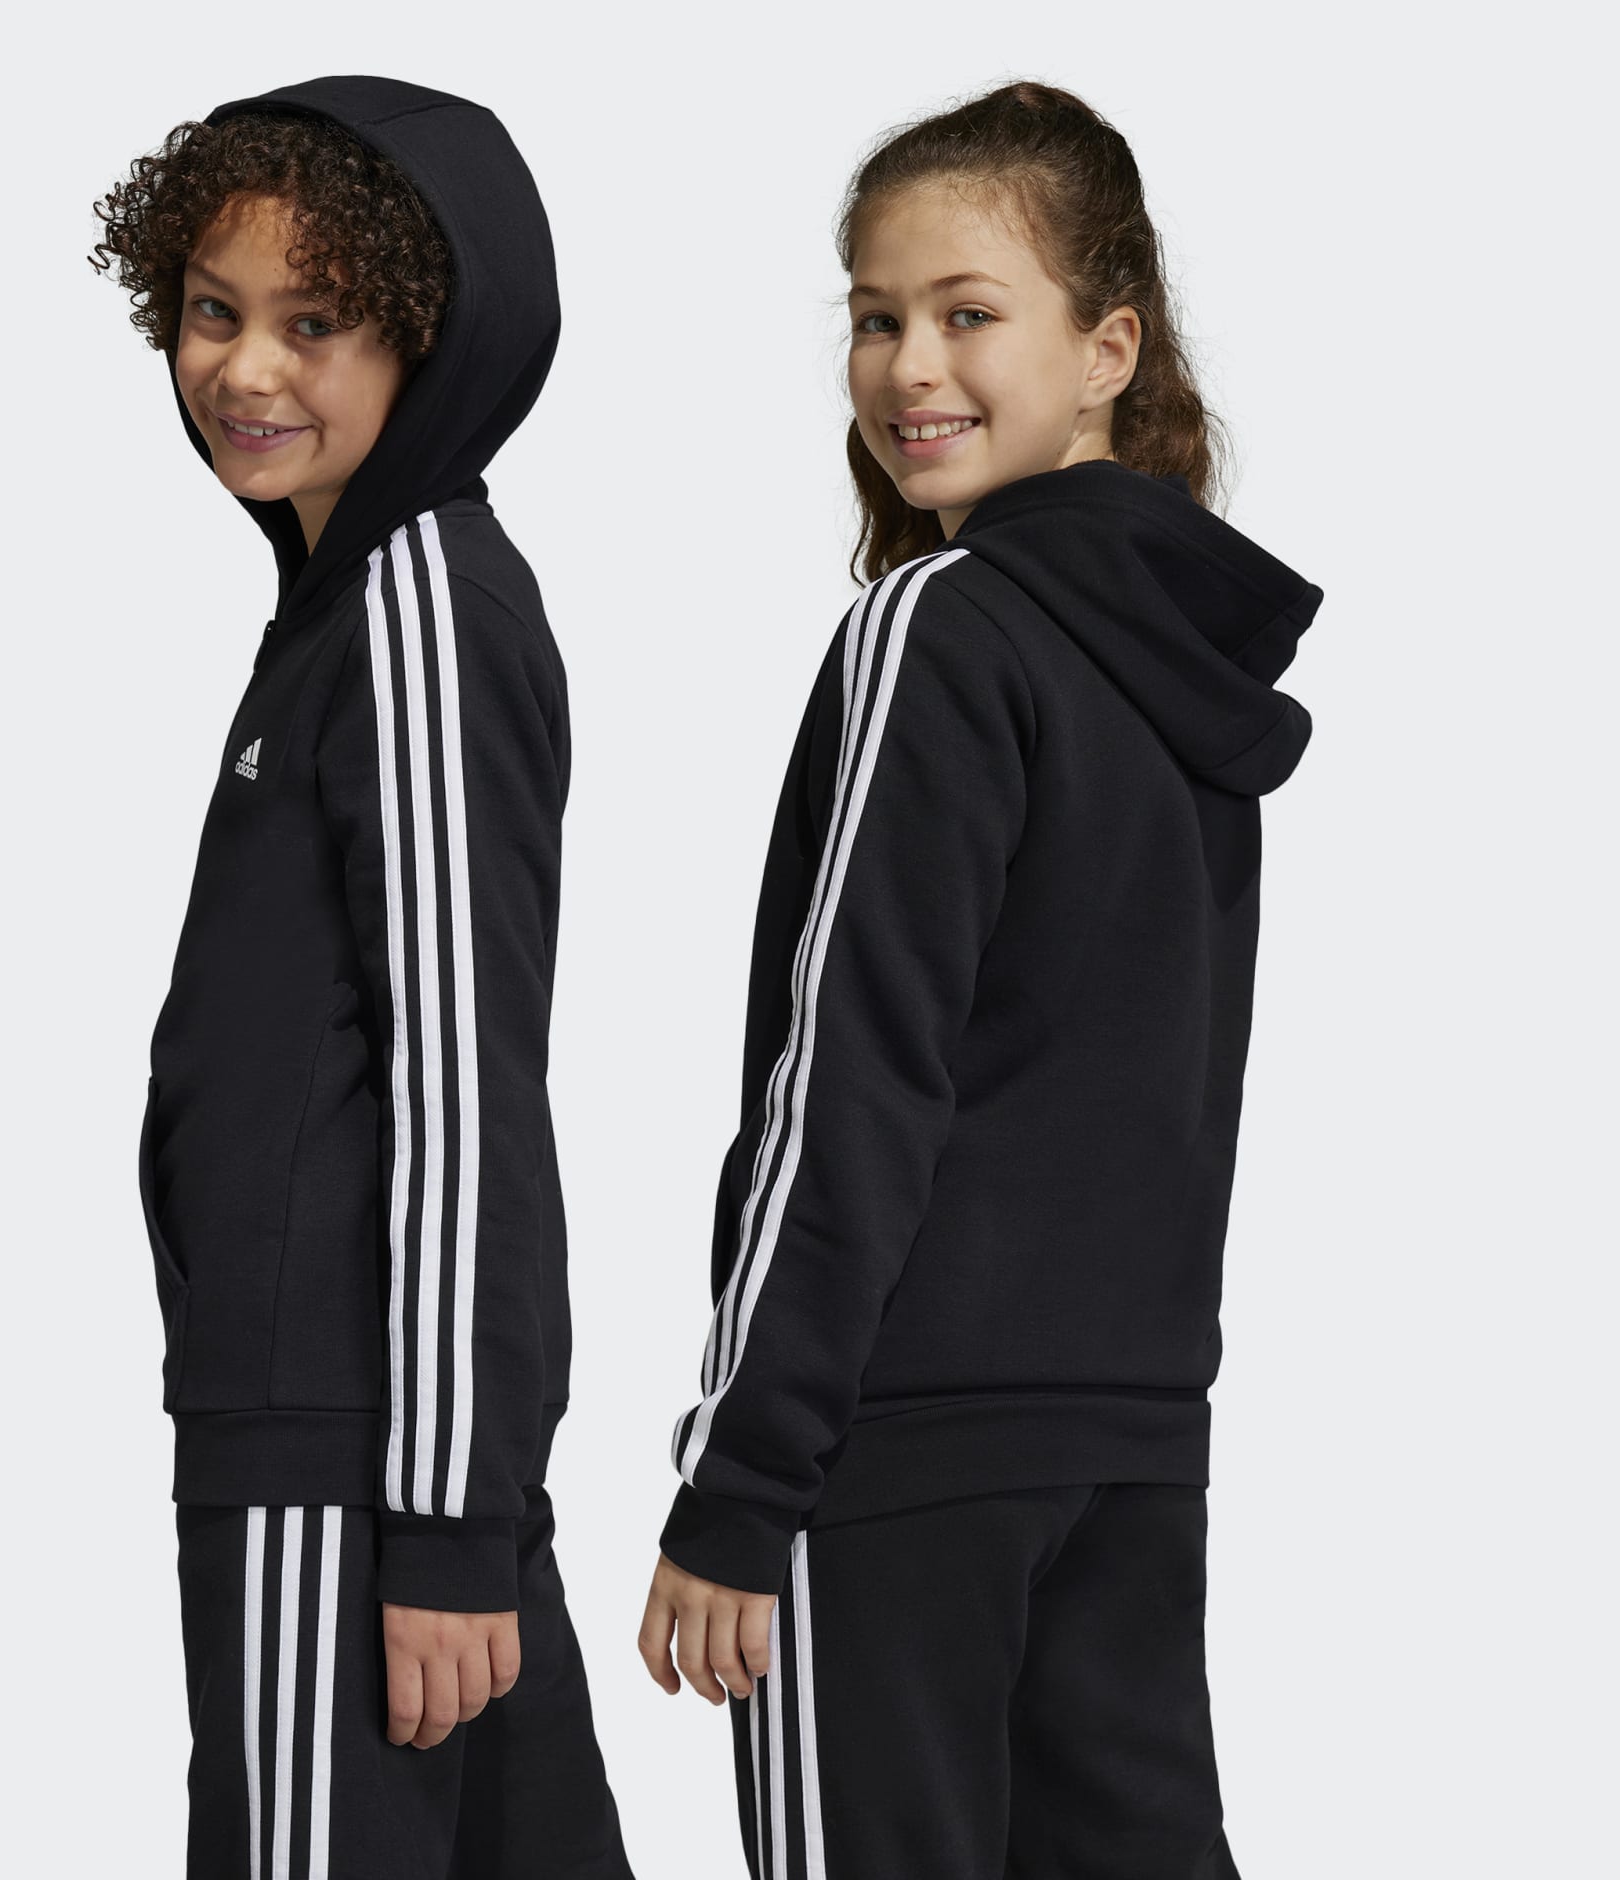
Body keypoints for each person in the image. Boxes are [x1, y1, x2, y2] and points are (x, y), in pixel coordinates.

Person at [637, 80, 1323, 1879]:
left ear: (1108, 350)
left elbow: (850, 1077)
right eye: (876, 319)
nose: (909, 367)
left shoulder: (939, 629)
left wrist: (743, 1475)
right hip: (1130, 1433)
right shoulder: (1180, 668)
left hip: (896, 1450)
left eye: (967, 312)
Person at [92, 75, 632, 1880]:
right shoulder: (348, 608)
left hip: (352, 1458)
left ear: (432, 338)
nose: (245, 370)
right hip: (377, 1446)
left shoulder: (411, 608)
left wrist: (450, 1519)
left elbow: (460, 1084)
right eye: (213, 311)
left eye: (314, 323)